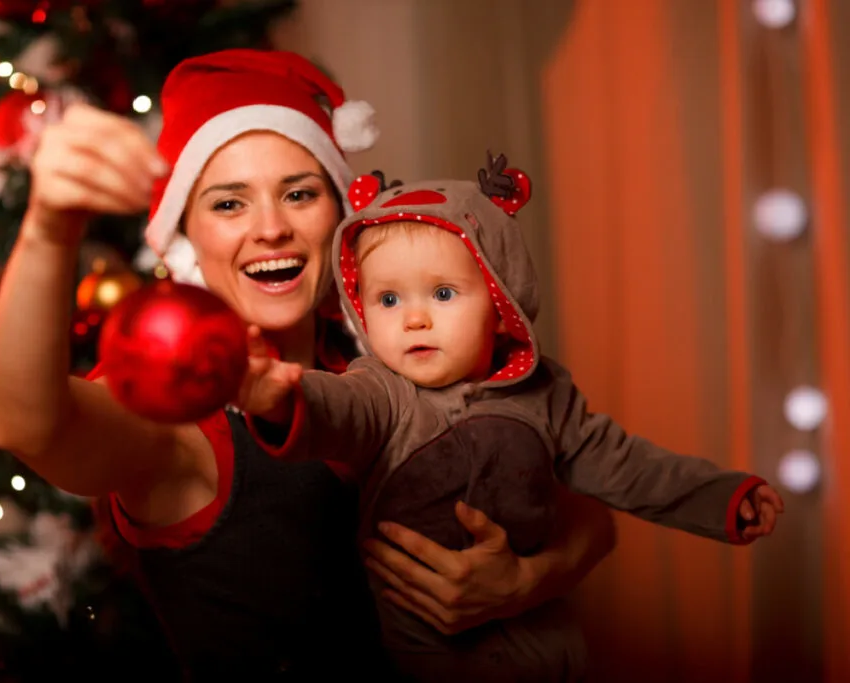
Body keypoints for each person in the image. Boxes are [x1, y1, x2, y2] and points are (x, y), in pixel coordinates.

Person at [0, 49, 616, 681]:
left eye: (299, 194)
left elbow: (588, 514)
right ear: (186, 233)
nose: (270, 229)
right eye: (229, 204)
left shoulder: (402, 355)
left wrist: (526, 580)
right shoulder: (180, 423)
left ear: (341, 214)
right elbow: (26, 426)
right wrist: (48, 231)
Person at [237, 157, 786, 682]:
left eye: (444, 293)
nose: (414, 318)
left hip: (548, 646)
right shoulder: (382, 393)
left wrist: (723, 498)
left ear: (501, 308)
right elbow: (335, 408)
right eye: (387, 299)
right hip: (432, 663)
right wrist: (278, 397)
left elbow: (628, 466)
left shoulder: (546, 395)